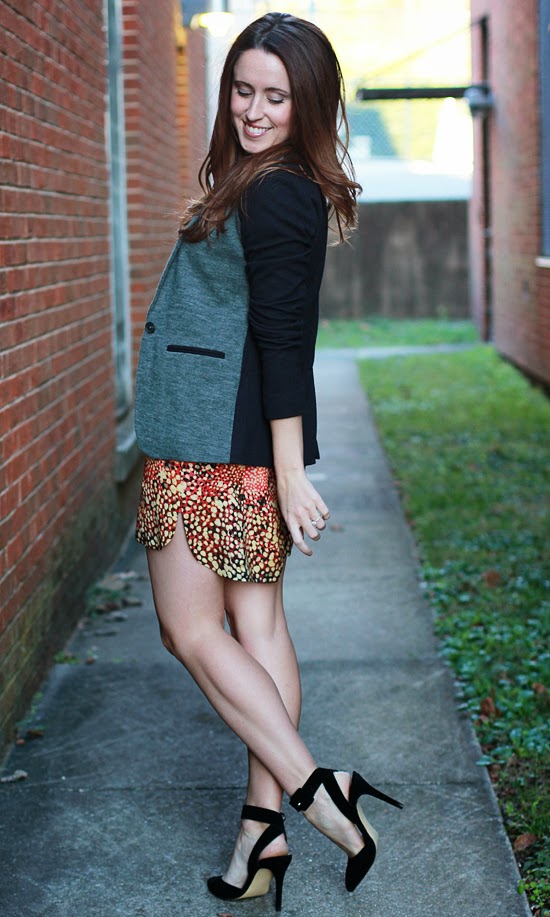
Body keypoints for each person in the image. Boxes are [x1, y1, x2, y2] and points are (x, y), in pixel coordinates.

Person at [133, 11, 402, 912]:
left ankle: (318, 792)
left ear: (307, 105)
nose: (253, 110)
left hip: (216, 447)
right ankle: (261, 828)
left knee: (189, 628)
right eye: (243, 90)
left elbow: (286, 340)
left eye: (276, 97)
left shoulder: (278, 191)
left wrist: (289, 470)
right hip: (223, 436)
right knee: (256, 626)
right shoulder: (259, 179)